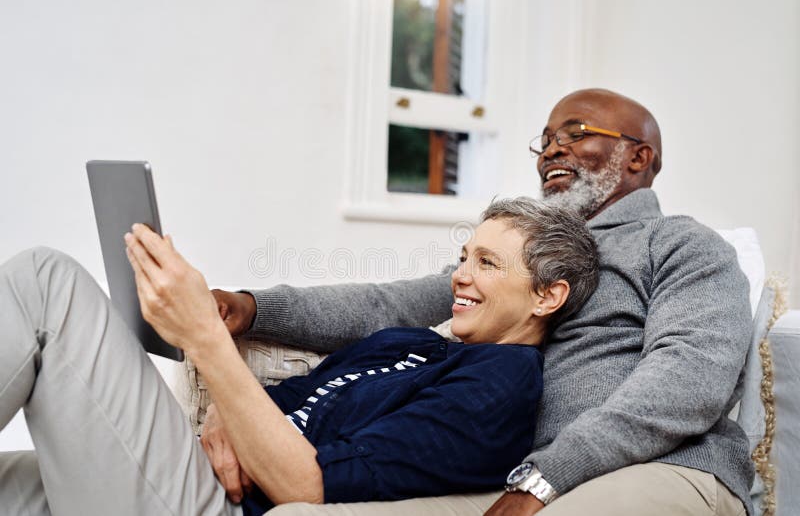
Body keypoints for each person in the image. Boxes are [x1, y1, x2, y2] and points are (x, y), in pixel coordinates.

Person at [214, 89, 754, 516]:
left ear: (639, 156)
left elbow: (687, 380)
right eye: (544, 139)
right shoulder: (518, 256)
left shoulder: (683, 244)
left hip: (666, 469)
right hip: (520, 479)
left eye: (577, 132)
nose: (552, 150)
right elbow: (391, 304)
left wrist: (547, 476)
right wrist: (255, 308)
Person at [0, 198, 597, 515]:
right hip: (197, 472)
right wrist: (221, 419)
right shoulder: (416, 344)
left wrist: (206, 337)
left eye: (486, 264)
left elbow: (305, 487)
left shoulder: (497, 390)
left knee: (45, 282)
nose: (459, 277)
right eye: (463, 256)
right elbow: (267, 404)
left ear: (548, 295)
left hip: (217, 509)